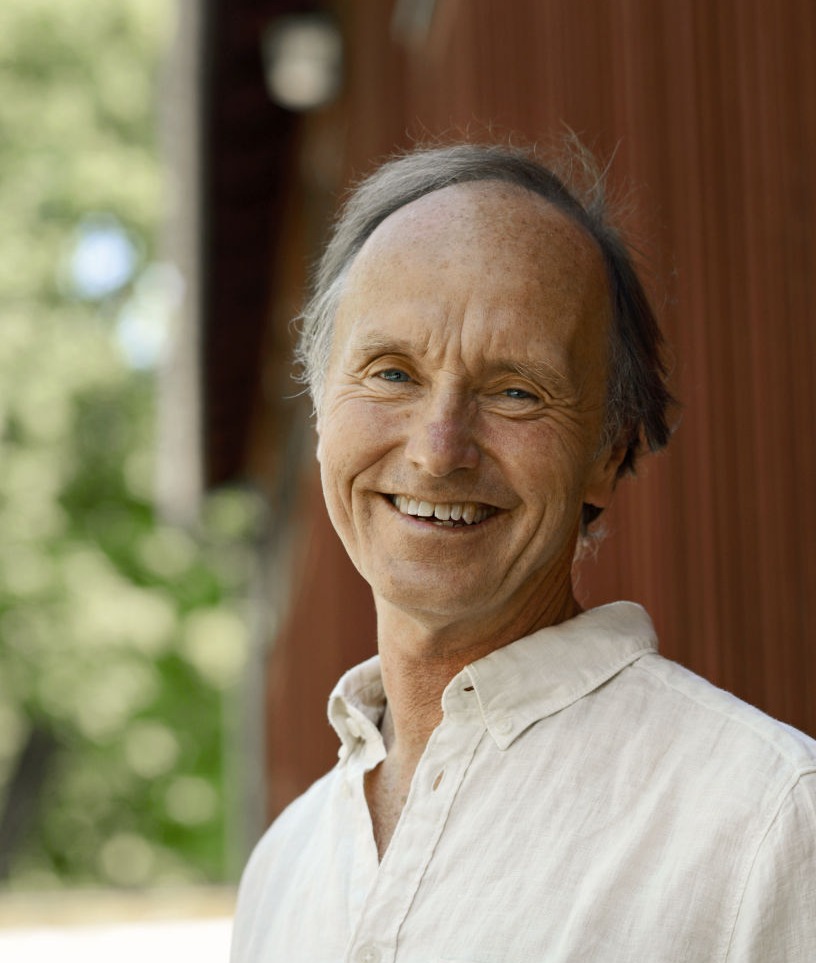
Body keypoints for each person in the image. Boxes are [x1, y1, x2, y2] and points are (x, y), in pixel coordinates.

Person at [231, 143, 816, 962]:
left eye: (515, 391)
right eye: (392, 373)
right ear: (322, 409)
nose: (438, 451)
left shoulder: (770, 823)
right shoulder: (282, 866)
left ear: (609, 452)